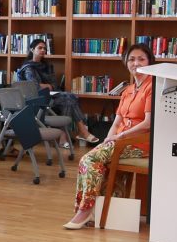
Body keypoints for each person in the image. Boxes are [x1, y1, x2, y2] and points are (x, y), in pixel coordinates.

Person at [63, 43, 155, 230]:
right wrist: (108, 139)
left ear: (149, 62)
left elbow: (147, 123)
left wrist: (119, 138)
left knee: (88, 160)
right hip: (121, 140)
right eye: (131, 59)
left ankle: (84, 211)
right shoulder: (128, 90)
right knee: (95, 160)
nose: (135, 62)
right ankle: (100, 211)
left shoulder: (152, 86)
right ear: (125, 63)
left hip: (140, 143)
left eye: (141, 59)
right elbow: (116, 122)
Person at [16, 38, 89, 142]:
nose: (43, 50)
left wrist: (46, 86)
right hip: (36, 99)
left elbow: (54, 85)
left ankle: (66, 136)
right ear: (32, 49)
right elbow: (34, 87)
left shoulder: (47, 66)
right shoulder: (28, 68)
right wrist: (48, 85)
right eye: (40, 48)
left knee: (70, 98)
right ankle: (79, 132)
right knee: (69, 98)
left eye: (44, 48)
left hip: (50, 96)